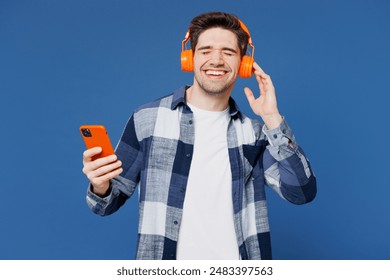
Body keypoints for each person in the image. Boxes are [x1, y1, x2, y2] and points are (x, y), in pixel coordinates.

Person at [82, 11, 317, 260]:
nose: (216, 60)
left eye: (228, 52)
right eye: (205, 51)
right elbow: (105, 204)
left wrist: (272, 118)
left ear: (244, 63)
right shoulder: (146, 119)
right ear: (189, 58)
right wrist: (100, 184)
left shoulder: (256, 133)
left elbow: (301, 193)